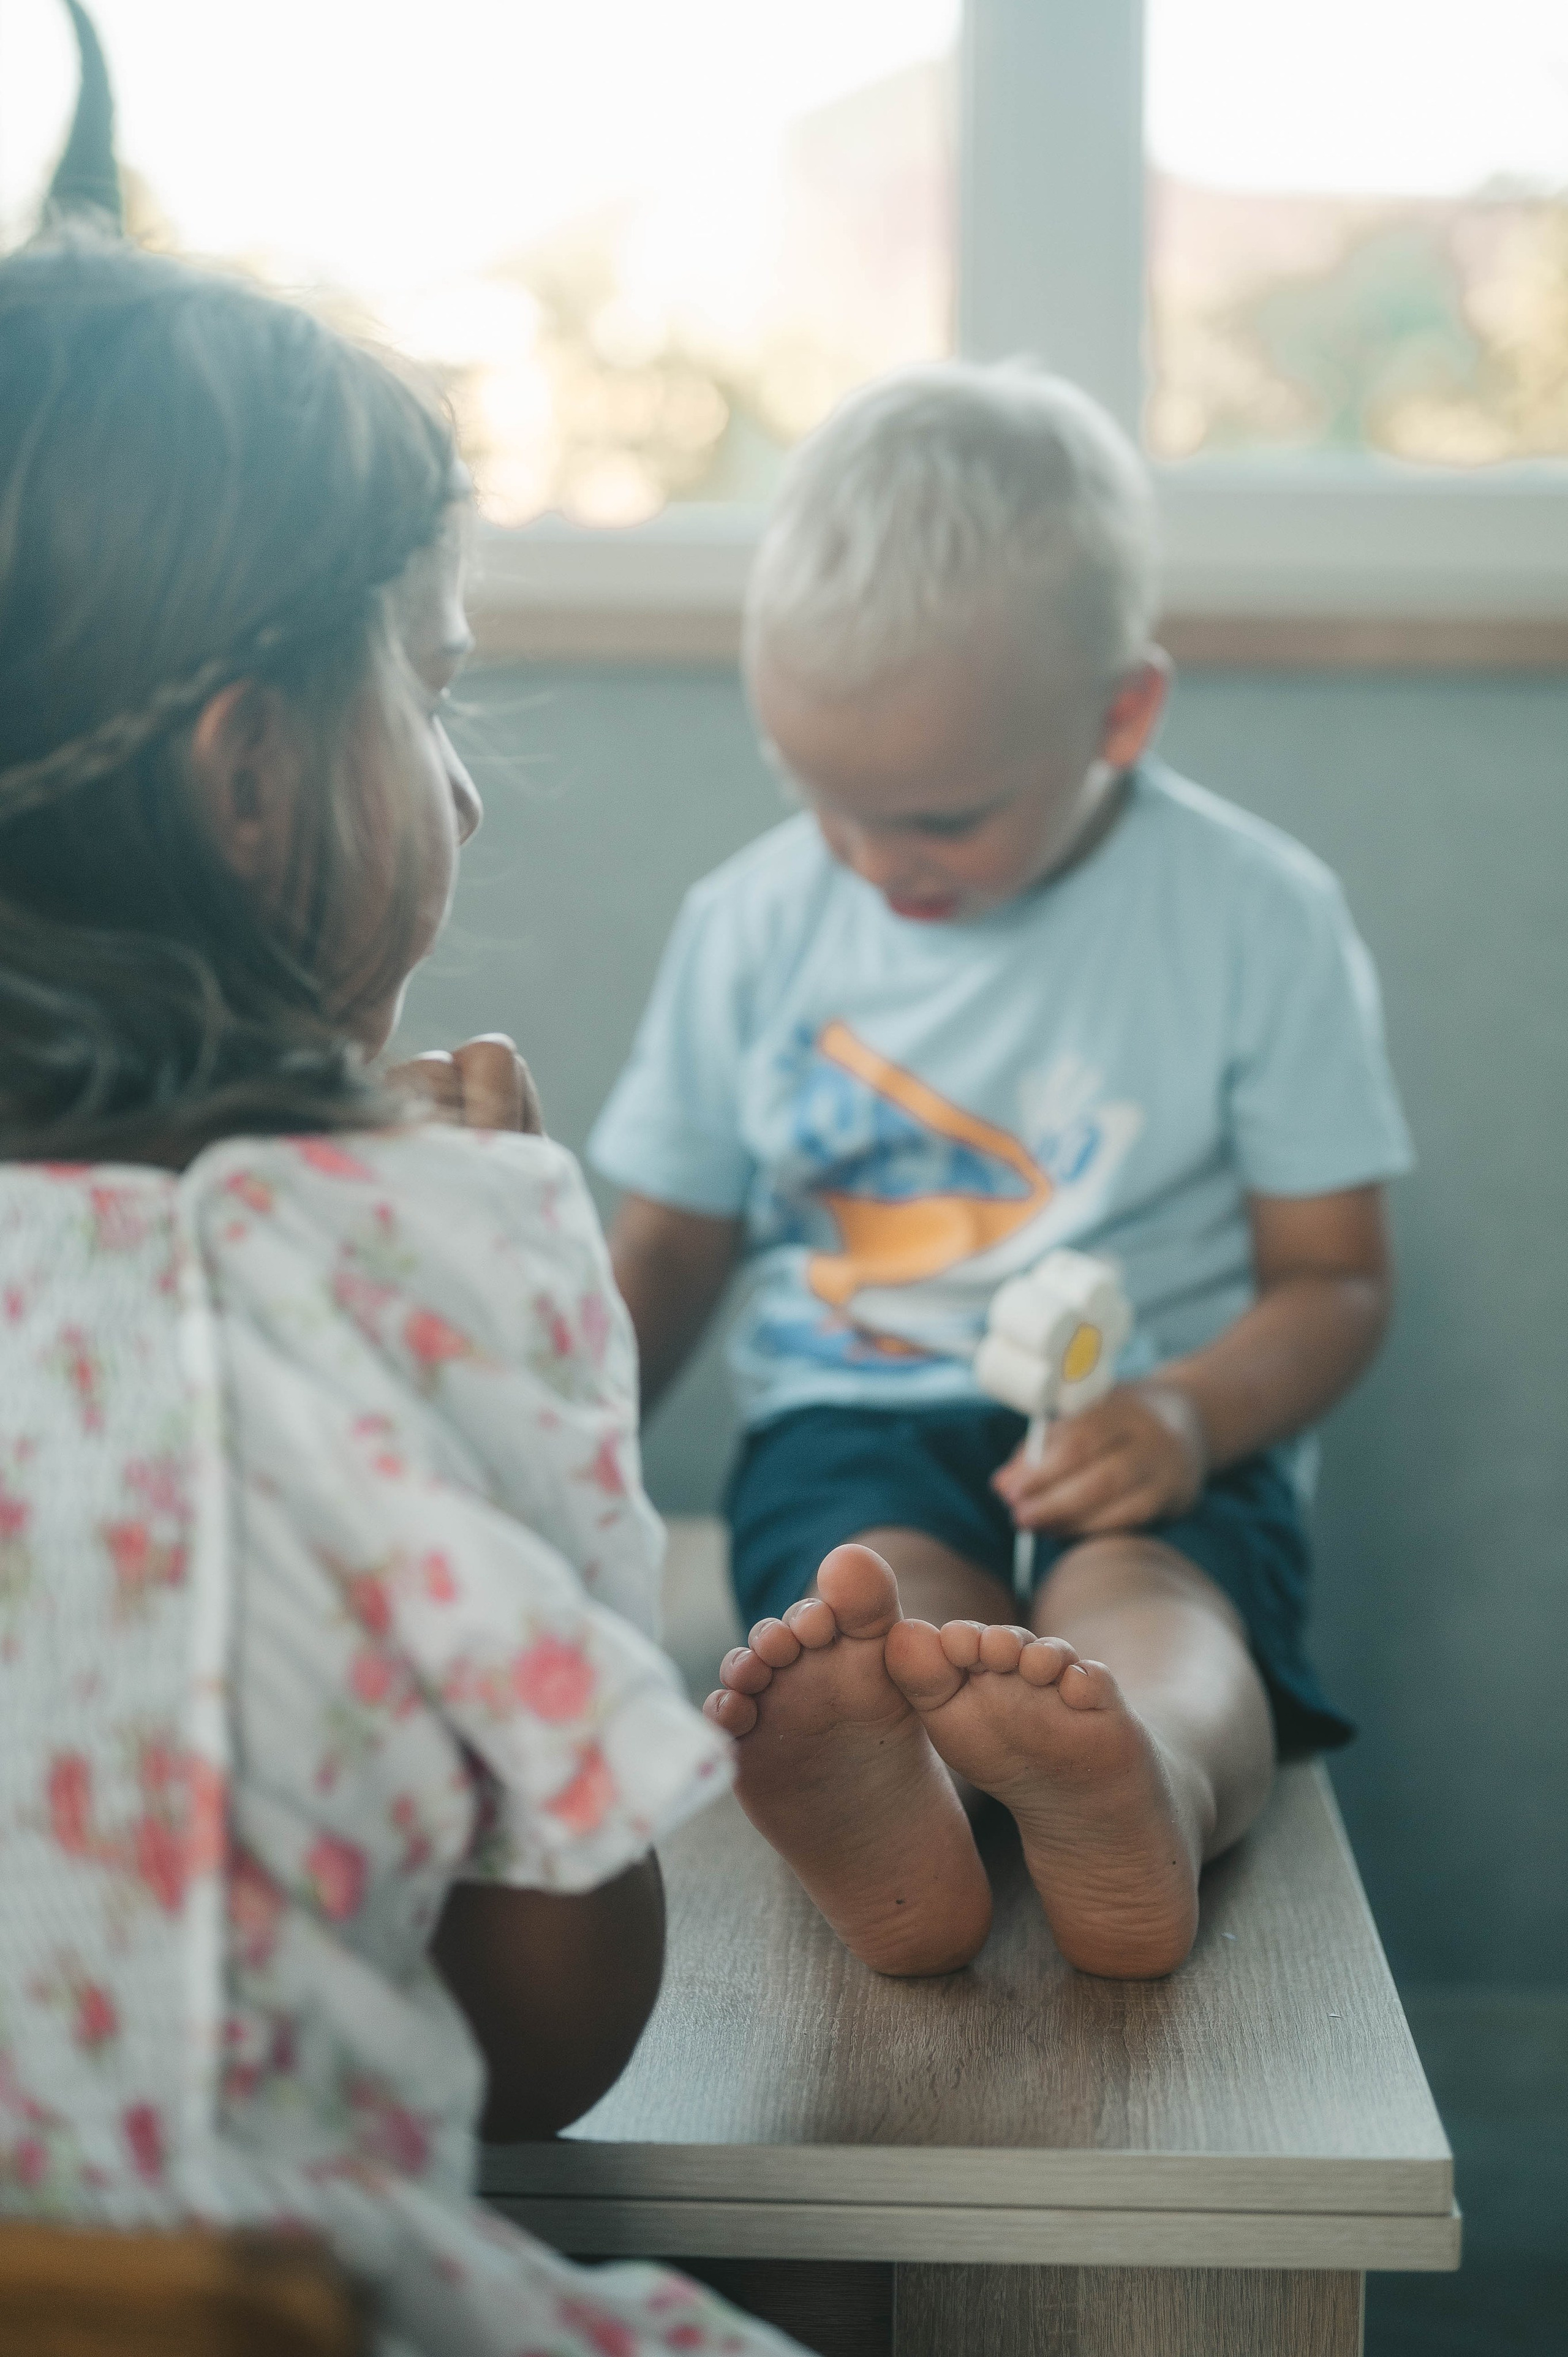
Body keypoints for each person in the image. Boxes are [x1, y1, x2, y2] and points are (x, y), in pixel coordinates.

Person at [0, 232, 802, 2357]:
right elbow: (549, 2036)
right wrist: (535, 1374)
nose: (459, 785)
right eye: (430, 693)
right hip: (226, 2305)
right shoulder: (443, 1252)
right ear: (252, 777)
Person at [590, 363, 1414, 1985]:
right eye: (822, 801)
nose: (874, 862)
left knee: (1155, 1616)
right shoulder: (753, 923)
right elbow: (673, 1253)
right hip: (852, 1413)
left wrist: (1188, 1417)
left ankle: (1151, 1791)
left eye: (941, 819)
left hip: (1152, 1438)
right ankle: (893, 1808)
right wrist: (541, 1462)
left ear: (1120, 715)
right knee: (873, 1605)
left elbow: (1336, 1278)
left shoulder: (1256, 914)